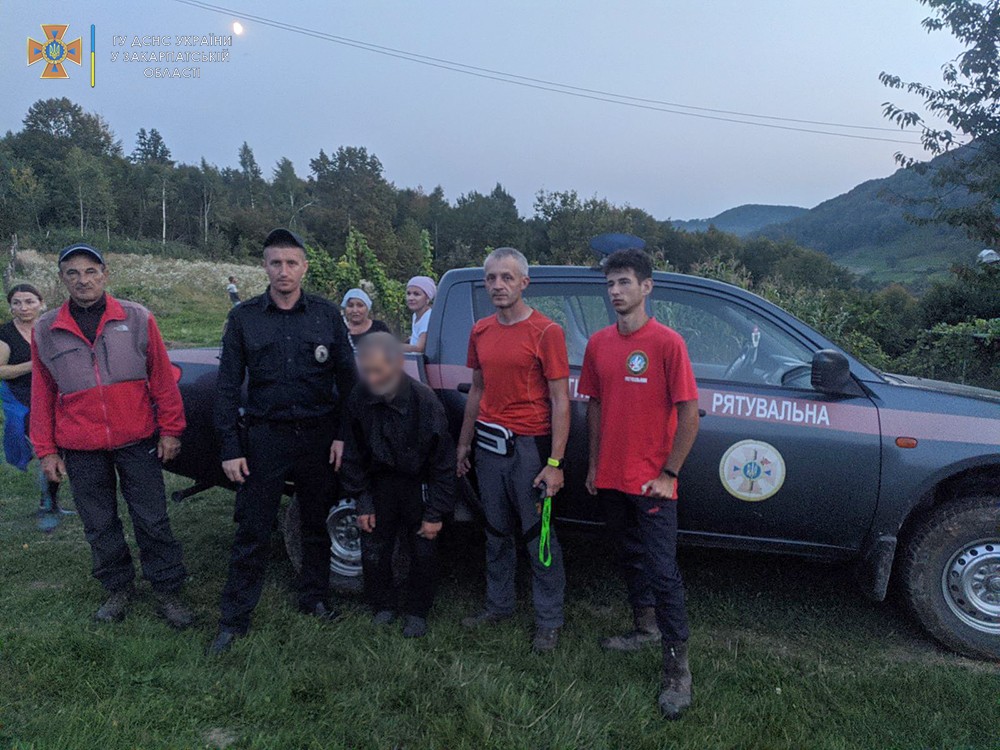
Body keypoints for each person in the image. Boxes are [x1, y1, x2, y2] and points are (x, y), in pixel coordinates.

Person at [209, 228, 358, 655]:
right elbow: (226, 387)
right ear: (265, 267)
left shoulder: (326, 315)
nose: (283, 271)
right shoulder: (245, 318)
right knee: (253, 529)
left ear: (304, 267)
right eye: (275, 263)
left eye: (292, 263)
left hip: (318, 436)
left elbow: (349, 383)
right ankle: (234, 619)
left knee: (315, 525)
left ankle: (314, 598)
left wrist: (343, 436)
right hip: (265, 438)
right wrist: (230, 448)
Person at [30, 244, 194, 628]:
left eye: (91, 271)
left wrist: (171, 430)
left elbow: (162, 378)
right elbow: (42, 393)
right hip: (81, 445)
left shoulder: (137, 317)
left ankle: (167, 589)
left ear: (105, 274)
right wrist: (46, 450)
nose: (83, 280)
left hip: (137, 439)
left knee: (152, 519)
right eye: (73, 273)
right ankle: (118, 588)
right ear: (62, 279)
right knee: (99, 522)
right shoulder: (46, 329)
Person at [578, 248, 700, 719]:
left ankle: (677, 669)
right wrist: (594, 465)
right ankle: (644, 629)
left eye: (624, 282)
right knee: (628, 556)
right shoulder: (598, 344)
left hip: (652, 483)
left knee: (662, 571)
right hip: (611, 477)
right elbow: (595, 405)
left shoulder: (668, 343)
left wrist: (669, 473)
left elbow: (689, 413)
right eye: (610, 284)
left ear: (646, 287)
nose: (615, 291)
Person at [456, 247, 570, 653]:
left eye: (507, 277)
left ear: (524, 282)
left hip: (529, 449)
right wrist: (464, 443)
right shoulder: (481, 330)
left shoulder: (546, 331)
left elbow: (560, 400)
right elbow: (478, 389)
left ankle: (548, 621)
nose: (498, 285)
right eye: (491, 278)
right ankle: (498, 605)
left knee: (537, 534)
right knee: (495, 530)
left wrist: (555, 463)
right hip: (489, 447)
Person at [341, 333, 456, 638]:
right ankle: (383, 605)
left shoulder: (425, 402)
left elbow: (443, 464)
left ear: (397, 364)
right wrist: (362, 499)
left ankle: (417, 611)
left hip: (418, 483)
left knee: (423, 550)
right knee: (374, 548)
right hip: (379, 483)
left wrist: (435, 513)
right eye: (367, 371)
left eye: (378, 371)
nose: (372, 378)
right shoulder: (359, 396)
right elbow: (353, 452)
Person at [0, 283, 71, 532]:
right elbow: (1, 370)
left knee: (60, 446)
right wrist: (36, 364)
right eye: (17, 303)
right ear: (11, 307)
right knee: (44, 449)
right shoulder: (5, 334)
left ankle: (51, 501)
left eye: (29, 301)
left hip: (54, 394)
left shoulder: (50, 328)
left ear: (41, 303)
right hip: (22, 397)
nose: (23, 307)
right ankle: (47, 505)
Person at [341, 288, 390, 354]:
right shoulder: (340, 330)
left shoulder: (379, 327)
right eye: (350, 306)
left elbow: (392, 349)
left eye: (360, 306)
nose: (355, 310)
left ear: (367, 308)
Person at [401, 275, 435, 353]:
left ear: (427, 298)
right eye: (408, 293)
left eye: (416, 294)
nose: (410, 298)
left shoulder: (428, 317)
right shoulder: (415, 315)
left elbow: (419, 348)